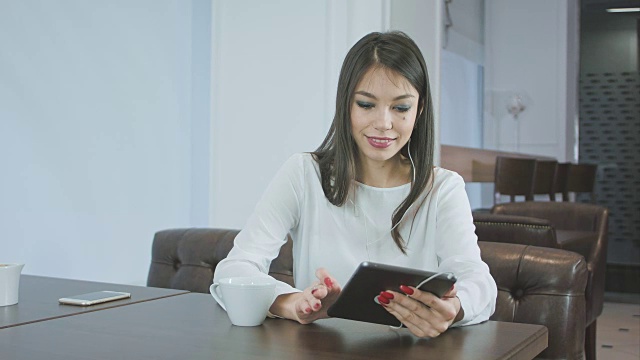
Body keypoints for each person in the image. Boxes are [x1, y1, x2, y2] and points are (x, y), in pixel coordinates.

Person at [214, 30, 496, 338]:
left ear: (420, 110)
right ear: (345, 104)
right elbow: (234, 270)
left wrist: (453, 310)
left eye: (401, 108)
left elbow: (479, 283)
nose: (383, 123)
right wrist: (290, 302)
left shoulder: (443, 188)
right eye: (366, 104)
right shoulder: (304, 174)